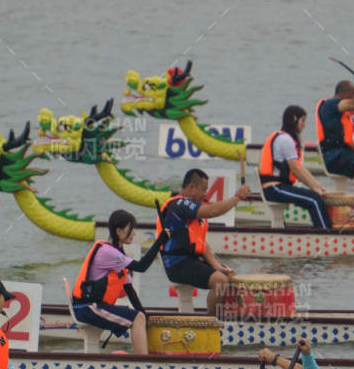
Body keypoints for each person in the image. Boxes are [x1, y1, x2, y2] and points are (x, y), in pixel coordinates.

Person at [158, 168, 251, 315]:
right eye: (203, 189)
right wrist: (238, 196)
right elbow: (213, 211)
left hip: (191, 260)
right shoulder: (179, 205)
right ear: (191, 187)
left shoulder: (191, 209)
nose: (206, 194)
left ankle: (227, 315)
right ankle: (209, 321)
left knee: (230, 275)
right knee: (220, 281)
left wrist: (217, 265)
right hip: (176, 264)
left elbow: (201, 244)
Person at [71, 210, 167, 351]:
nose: (134, 232)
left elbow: (129, 289)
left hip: (93, 306)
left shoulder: (117, 254)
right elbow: (141, 267)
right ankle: (145, 364)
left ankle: (145, 358)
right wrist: (160, 241)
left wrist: (145, 316)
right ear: (118, 231)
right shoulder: (108, 252)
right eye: (130, 229)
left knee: (140, 317)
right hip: (87, 308)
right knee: (136, 318)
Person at [259, 104, 331, 229]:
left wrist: (319, 187)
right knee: (313, 200)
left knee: (315, 196)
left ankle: (323, 230)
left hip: (278, 187)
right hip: (274, 189)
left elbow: (301, 168)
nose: (304, 125)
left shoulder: (286, 138)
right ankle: (325, 235)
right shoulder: (285, 140)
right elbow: (295, 170)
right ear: (294, 119)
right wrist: (315, 189)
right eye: (303, 120)